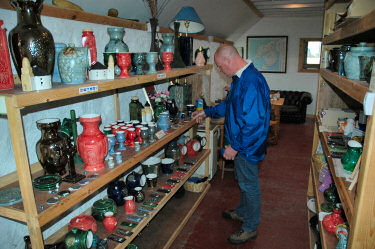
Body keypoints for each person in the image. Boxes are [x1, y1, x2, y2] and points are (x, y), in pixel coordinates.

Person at [192, 44, 271, 245]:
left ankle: (250, 227)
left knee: (249, 185)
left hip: (247, 146)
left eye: (219, 66)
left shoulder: (251, 81)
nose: (220, 70)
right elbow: (230, 105)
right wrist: (207, 111)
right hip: (243, 143)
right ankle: (243, 212)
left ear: (228, 61)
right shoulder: (240, 79)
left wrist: (234, 146)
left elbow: (253, 123)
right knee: (243, 181)